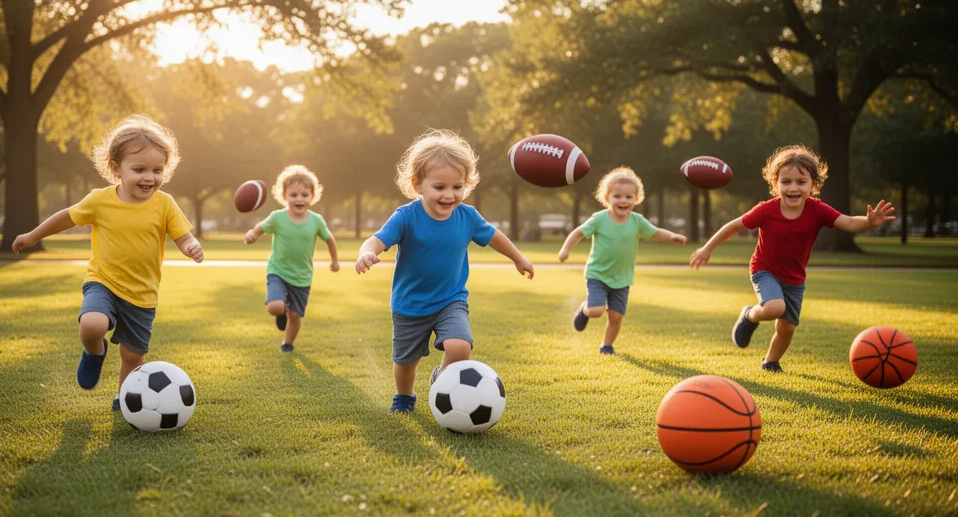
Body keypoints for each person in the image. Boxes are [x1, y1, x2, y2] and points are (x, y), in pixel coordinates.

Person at [12, 115, 204, 410]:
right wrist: (33, 236)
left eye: (157, 170)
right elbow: (66, 218)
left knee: (132, 355)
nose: (149, 177)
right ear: (116, 169)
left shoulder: (165, 204)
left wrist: (191, 246)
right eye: (139, 169)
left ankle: (125, 398)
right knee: (92, 325)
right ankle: (94, 352)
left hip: (142, 294)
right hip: (103, 281)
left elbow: (183, 236)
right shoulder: (100, 200)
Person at [355, 130, 534, 413]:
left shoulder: (468, 216)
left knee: (460, 347)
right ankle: (404, 397)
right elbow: (377, 240)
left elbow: (494, 236)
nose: (449, 195)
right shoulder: (406, 216)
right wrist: (366, 252)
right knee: (405, 362)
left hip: (451, 300)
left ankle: (443, 379)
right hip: (410, 305)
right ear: (417, 185)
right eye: (439, 187)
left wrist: (518, 257)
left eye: (457, 187)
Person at [689, 144, 895, 372]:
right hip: (764, 270)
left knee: (786, 329)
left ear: (813, 185)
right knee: (774, 307)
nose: (793, 188)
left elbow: (848, 222)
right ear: (775, 183)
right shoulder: (766, 210)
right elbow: (734, 226)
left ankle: (770, 362)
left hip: (795, 279)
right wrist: (707, 248)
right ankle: (749, 315)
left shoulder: (817, 210)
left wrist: (869, 222)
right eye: (786, 182)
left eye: (801, 182)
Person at [559, 167, 687, 355]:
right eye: (617, 196)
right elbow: (578, 233)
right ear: (607, 198)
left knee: (616, 316)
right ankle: (584, 309)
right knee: (596, 310)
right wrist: (565, 249)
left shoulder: (637, 221)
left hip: (622, 278)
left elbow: (655, 232)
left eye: (628, 197)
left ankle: (607, 346)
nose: (623, 200)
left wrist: (672, 236)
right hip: (598, 274)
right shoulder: (599, 219)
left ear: (636, 199)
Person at [244, 165, 339, 353]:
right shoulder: (277, 218)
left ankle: (287, 344)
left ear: (312, 196)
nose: (299, 199)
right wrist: (251, 235)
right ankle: (281, 310)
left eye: (304, 195)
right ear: (284, 196)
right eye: (293, 195)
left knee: (295, 316)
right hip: (278, 271)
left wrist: (334, 261)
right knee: (274, 307)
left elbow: (330, 240)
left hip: (302, 277)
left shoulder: (316, 221)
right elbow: (259, 228)